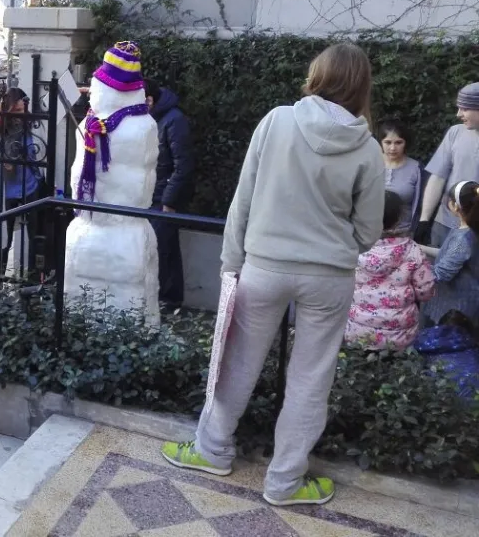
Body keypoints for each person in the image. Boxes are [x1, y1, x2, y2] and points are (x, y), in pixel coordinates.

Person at [161, 43, 385, 507]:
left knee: (237, 362)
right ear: (362, 85)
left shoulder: (277, 121)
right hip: (329, 277)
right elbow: (368, 232)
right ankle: (285, 483)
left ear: (316, 75)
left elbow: (242, 199)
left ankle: (212, 450)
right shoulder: (366, 148)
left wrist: (231, 263)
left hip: (264, 266)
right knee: (311, 378)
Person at [345, 190, 435, 350]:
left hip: (358, 332)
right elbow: (425, 292)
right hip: (400, 336)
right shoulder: (412, 250)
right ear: (399, 218)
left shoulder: (352, 246)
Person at [0, 87, 45, 280]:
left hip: (30, 187)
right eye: (17, 111)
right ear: (8, 109)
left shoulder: (33, 128)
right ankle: (0, 277)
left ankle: (32, 278)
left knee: (34, 236)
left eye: (23, 109)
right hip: (6, 191)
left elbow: (41, 155)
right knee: (3, 238)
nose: (21, 114)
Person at [145, 78, 195, 307]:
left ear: (149, 100)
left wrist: (169, 200)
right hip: (150, 192)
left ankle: (169, 299)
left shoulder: (174, 120)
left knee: (164, 249)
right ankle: (164, 298)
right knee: (159, 247)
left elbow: (183, 164)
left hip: (162, 195)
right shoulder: (153, 117)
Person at [417, 83, 479, 248]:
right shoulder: (455, 132)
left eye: (464, 109)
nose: (459, 114)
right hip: (445, 223)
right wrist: (424, 219)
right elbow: (438, 177)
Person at [422, 181, 479, 325]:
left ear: (455, 206)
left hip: (456, 308)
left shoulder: (463, 238)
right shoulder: (466, 230)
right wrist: (419, 248)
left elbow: (441, 274)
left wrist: (413, 265)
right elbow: (450, 254)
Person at [377, 119, 423, 236]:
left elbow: (418, 206)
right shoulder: (369, 163)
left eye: (398, 142)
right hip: (370, 234)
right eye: (388, 142)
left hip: (404, 233)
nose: (392, 148)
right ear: (380, 142)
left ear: (405, 143)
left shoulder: (416, 168)